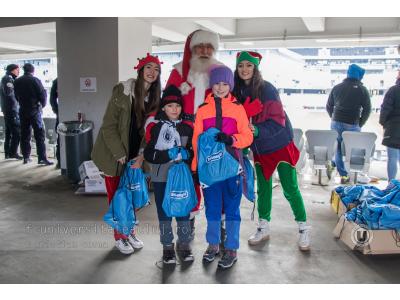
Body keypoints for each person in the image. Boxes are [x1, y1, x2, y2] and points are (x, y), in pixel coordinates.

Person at [232, 51, 311, 251]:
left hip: (279, 145)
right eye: (241, 66)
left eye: (249, 66)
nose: (244, 70)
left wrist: (258, 130)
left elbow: (279, 121)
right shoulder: (237, 92)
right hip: (260, 150)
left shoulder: (267, 89)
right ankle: (263, 226)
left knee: (290, 188)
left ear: (255, 68)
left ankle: (303, 228)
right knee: (263, 190)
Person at [91, 53, 162, 255]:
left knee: (132, 197)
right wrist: (119, 153)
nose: (152, 72)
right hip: (115, 156)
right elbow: (108, 126)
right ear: (140, 70)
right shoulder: (123, 90)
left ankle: (129, 232)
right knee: (118, 199)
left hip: (135, 158)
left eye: (156, 70)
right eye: (148, 68)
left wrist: (141, 156)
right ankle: (119, 237)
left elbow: (150, 132)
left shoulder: (155, 98)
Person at [162, 29, 223, 237]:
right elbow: (166, 102)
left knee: (215, 178)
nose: (205, 51)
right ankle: (189, 221)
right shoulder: (178, 71)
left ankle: (219, 227)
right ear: (192, 49)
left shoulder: (220, 72)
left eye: (209, 47)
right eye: (200, 46)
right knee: (189, 177)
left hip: (212, 134)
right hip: (184, 134)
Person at [192, 65, 253, 269]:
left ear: (230, 85)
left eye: (225, 84)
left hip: (232, 168)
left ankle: (231, 248)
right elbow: (196, 140)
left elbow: (248, 136)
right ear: (212, 84)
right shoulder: (202, 109)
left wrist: (232, 139)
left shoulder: (237, 108)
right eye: (217, 83)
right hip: (209, 170)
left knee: (233, 210)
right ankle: (213, 245)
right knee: (213, 209)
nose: (220, 87)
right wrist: (195, 164)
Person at [144, 85, 194, 265]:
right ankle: (167, 247)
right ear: (164, 108)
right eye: (170, 106)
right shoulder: (156, 128)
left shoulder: (187, 129)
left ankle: (184, 244)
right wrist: (167, 154)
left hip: (181, 178)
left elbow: (192, 152)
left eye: (178, 106)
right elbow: (149, 154)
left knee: (183, 211)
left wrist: (189, 156)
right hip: (162, 178)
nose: (175, 109)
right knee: (164, 212)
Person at [326, 63, 371, 184]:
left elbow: (329, 106)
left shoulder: (337, 87)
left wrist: (333, 117)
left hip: (336, 122)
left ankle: (341, 172)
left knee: (338, 149)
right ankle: (344, 171)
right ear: (358, 75)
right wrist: (360, 123)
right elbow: (367, 109)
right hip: (352, 124)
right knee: (351, 149)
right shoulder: (362, 90)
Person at [13, 63, 53, 165]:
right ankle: (42, 158)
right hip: (34, 110)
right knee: (39, 134)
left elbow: (16, 96)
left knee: (25, 134)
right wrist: (41, 106)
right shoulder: (35, 80)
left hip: (22, 110)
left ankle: (26, 157)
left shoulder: (17, 81)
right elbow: (42, 95)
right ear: (32, 71)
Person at [379, 71, 400, 185]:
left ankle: (390, 184)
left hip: (393, 129)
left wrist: (383, 123)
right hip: (393, 127)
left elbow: (385, 108)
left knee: (392, 158)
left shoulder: (393, 90)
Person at [0, 64, 22, 160]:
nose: (18, 72)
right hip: (11, 109)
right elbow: (8, 92)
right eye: (17, 70)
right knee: (16, 132)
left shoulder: (8, 78)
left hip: (8, 108)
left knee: (9, 132)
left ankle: (8, 153)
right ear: (12, 70)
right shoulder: (8, 79)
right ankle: (13, 152)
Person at [49, 78, 60, 168]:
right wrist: (57, 110)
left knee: (60, 139)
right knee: (60, 138)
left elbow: (52, 99)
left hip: (61, 112)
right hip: (62, 112)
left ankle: (60, 161)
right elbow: (52, 98)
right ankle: (60, 161)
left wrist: (56, 110)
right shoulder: (57, 81)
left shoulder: (57, 80)